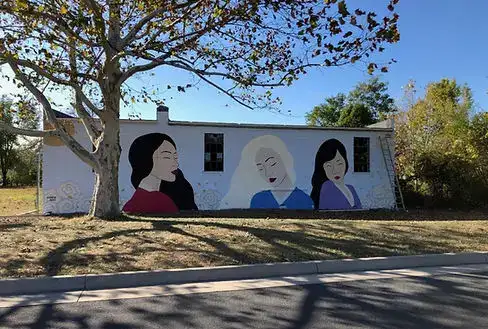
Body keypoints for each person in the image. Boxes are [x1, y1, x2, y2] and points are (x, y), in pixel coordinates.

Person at [220, 135, 313, 210]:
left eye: (272, 164)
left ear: (286, 161)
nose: (268, 173)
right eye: (261, 169)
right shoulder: (258, 199)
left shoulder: (305, 200)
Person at [123, 133, 197, 214]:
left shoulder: (131, 204)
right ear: (146, 159)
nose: (176, 164)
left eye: (175, 157)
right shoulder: (161, 201)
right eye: (167, 157)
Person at [310, 138, 361, 210]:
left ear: (345, 162)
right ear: (322, 168)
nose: (335, 170)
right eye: (329, 166)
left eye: (339, 164)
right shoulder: (327, 187)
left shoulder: (351, 188)